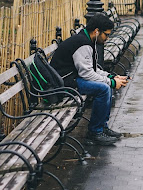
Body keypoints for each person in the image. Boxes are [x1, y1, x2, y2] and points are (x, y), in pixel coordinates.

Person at [50, 14, 128, 146]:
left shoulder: (86, 39)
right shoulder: (83, 44)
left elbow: (91, 69)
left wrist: (111, 77)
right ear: (97, 31)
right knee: (103, 89)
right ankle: (95, 133)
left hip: (73, 77)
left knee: (105, 86)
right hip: (65, 83)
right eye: (106, 35)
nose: (107, 38)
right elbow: (87, 73)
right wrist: (111, 83)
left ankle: (102, 127)